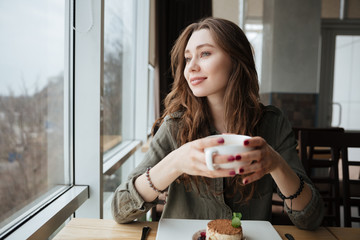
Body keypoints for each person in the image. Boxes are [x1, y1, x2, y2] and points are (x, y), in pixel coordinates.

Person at [111, 17, 324, 230]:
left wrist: (277, 164)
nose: (191, 67)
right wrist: (176, 161)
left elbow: (311, 219)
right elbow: (120, 209)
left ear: (236, 58)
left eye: (204, 54)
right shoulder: (175, 126)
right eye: (187, 58)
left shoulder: (272, 124)